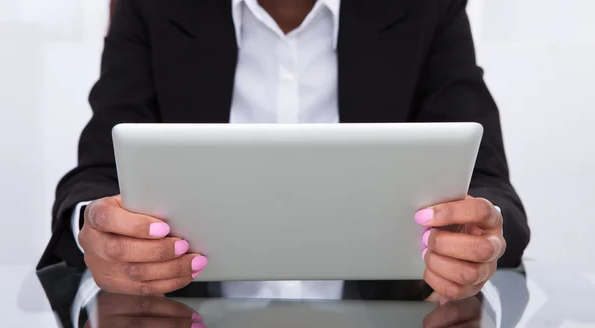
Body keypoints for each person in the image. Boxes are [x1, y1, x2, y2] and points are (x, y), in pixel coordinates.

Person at [38, 0, 530, 303]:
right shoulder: (154, 7)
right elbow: (96, 177)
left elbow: (489, 189)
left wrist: (478, 236)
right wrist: (99, 234)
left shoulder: (426, 7)